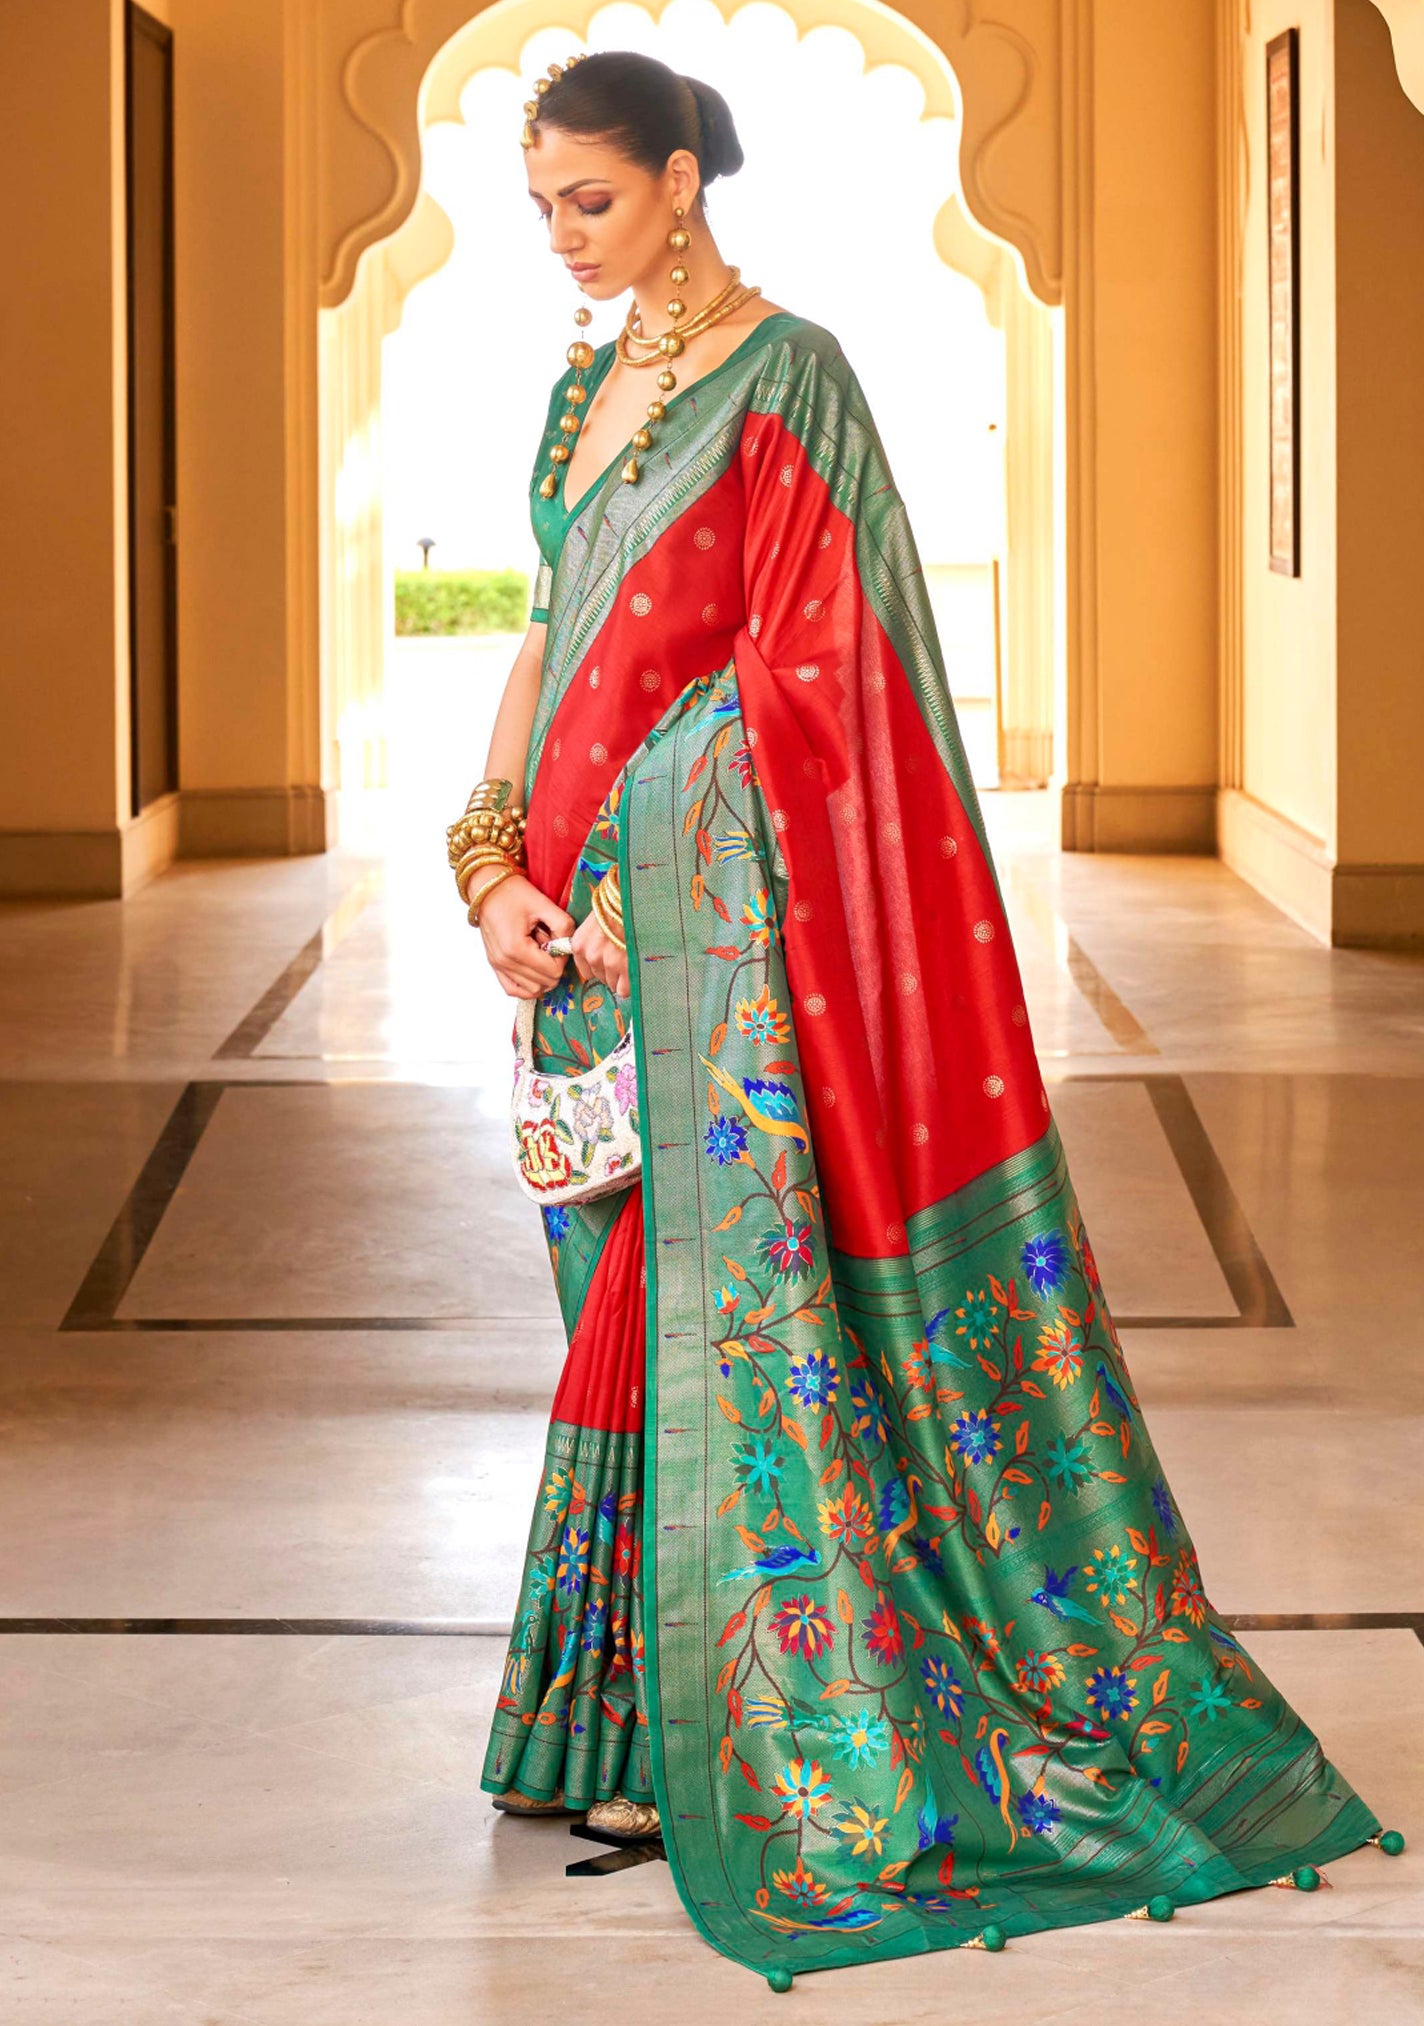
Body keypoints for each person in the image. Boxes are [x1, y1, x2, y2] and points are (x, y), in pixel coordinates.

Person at [455, 47, 1396, 1990]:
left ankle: (699, 1724)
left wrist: (648, 873)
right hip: (562, 942)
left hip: (706, 942)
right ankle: (605, 1705)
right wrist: (487, 864)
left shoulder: (789, 379)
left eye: (591, 200)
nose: (561, 237)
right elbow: (548, 631)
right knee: (606, 1283)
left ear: (686, 177)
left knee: (688, 1305)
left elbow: (832, 674)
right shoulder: (578, 383)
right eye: (540, 203)